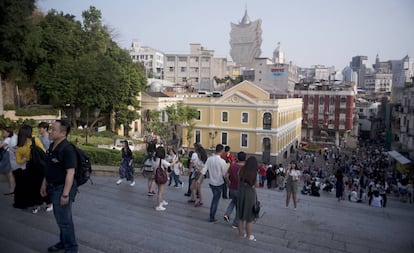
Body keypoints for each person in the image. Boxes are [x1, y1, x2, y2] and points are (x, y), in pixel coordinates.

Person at [40, 120, 78, 253]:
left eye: (53, 129)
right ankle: (63, 242)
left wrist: (65, 194)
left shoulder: (67, 149)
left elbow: (70, 172)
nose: (50, 131)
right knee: (61, 219)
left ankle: (72, 248)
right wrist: (44, 184)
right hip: (52, 186)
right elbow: (49, 167)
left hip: (62, 189)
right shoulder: (52, 146)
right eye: (51, 129)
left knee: (65, 222)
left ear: (63, 133)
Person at [14, 124, 45, 212]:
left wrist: (26, 159)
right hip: (40, 167)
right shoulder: (36, 140)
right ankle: (47, 203)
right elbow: (44, 152)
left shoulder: (19, 147)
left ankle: (36, 204)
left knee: (33, 187)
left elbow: (18, 161)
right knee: (42, 185)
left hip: (30, 168)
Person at [197, 144, 227, 222]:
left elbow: (204, 170)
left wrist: (199, 179)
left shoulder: (209, 159)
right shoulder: (222, 161)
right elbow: (225, 174)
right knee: (215, 200)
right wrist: (228, 182)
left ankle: (212, 215)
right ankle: (212, 216)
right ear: (222, 151)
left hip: (211, 182)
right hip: (219, 183)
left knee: (215, 198)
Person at [237, 156, 259, 241]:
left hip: (241, 192)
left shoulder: (241, 170)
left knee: (240, 214)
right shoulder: (255, 173)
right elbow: (257, 185)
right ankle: (249, 236)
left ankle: (241, 234)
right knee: (249, 217)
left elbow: (239, 179)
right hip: (250, 194)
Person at [223, 151, 246, 228]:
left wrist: (228, 183)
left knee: (233, 201)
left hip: (232, 188)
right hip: (241, 189)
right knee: (239, 207)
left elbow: (226, 176)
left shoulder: (232, 166)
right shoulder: (245, 168)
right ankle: (235, 223)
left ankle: (227, 214)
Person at [152, 146, 174, 211]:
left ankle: (161, 202)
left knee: (159, 190)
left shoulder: (154, 159)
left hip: (157, 176)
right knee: (160, 192)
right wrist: (175, 161)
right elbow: (169, 165)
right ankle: (159, 205)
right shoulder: (162, 160)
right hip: (161, 177)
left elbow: (154, 168)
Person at [0, 126, 17, 195]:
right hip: (6, 158)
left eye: (3, 132)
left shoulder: (8, 139)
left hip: (8, 158)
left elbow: (1, 146)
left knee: (9, 174)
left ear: (8, 133)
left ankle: (12, 190)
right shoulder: (5, 139)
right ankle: (11, 190)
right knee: (8, 174)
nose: (2, 133)